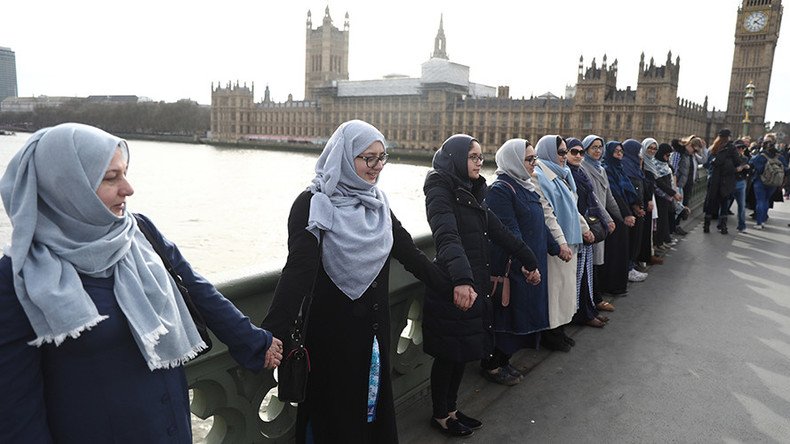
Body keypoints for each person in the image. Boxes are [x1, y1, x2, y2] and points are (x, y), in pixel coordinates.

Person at [0, 123, 282, 443]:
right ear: (66, 186)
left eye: (125, 172)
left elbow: (195, 286)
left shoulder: (138, 231)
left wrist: (253, 341)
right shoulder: (19, 277)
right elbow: (15, 409)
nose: (128, 188)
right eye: (111, 178)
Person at [261, 120, 448, 444]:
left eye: (382, 157)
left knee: (370, 419)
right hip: (331, 341)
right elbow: (299, 270)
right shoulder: (312, 203)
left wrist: (450, 285)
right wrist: (270, 332)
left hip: (374, 337)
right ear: (345, 157)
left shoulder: (377, 204)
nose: (377, 167)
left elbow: (407, 251)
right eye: (367, 158)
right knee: (334, 423)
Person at [423, 134, 540, 437]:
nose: (480, 162)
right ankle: (441, 414)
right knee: (449, 354)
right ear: (456, 158)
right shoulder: (440, 189)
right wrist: (462, 279)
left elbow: (498, 231)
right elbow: (446, 236)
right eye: (473, 157)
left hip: (472, 284)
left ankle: (451, 408)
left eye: (481, 157)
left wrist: (528, 259)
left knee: (462, 351)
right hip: (454, 284)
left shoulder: (471, 191)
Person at [483, 138, 560, 385]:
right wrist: (527, 264)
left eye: (534, 158)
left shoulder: (526, 186)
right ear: (513, 160)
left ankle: (504, 361)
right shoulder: (501, 190)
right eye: (529, 159)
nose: (533, 163)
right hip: (514, 266)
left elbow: (538, 222)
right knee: (509, 318)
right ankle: (493, 364)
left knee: (524, 316)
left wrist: (555, 247)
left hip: (531, 264)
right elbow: (509, 232)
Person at [532, 135, 594, 345]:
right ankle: (551, 333)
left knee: (566, 290)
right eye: (560, 152)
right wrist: (561, 243)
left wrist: (584, 228)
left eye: (565, 151)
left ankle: (560, 329)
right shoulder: (538, 176)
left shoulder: (562, 175)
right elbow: (548, 215)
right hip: (557, 244)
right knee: (554, 292)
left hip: (570, 239)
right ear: (547, 151)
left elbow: (572, 208)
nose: (565, 156)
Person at [564, 138, 608, 328]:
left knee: (585, 275)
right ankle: (580, 314)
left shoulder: (579, 173)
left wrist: (605, 220)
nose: (579, 156)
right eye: (574, 152)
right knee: (577, 277)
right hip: (575, 232)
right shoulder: (565, 174)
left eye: (581, 152)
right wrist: (583, 228)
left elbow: (594, 200)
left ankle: (588, 310)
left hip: (586, 229)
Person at [579, 135, 621, 312]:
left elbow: (608, 196)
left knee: (596, 261)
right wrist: (607, 219)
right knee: (592, 263)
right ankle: (594, 300)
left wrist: (619, 216)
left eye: (600, 147)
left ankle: (595, 298)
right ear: (586, 149)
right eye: (593, 147)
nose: (597, 150)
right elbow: (593, 199)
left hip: (601, 220)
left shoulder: (601, 169)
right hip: (592, 220)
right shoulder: (583, 168)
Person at [601, 141, 639, 296]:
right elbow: (613, 195)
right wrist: (624, 213)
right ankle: (612, 286)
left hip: (623, 213)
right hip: (614, 214)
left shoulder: (619, 168)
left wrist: (636, 204)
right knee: (614, 252)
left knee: (621, 250)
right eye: (616, 151)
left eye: (621, 151)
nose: (619, 153)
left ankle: (619, 284)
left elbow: (627, 189)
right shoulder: (607, 169)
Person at [703, 128, 742, 234]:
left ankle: (706, 226)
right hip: (726, 181)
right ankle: (723, 227)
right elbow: (738, 163)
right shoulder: (731, 148)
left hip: (713, 179)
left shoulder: (713, 148)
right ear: (728, 137)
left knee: (711, 202)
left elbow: (706, 164)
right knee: (724, 203)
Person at [748, 133, 783, 229]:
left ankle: (759, 223)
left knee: (760, 201)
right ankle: (763, 220)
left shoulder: (761, 155)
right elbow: (786, 167)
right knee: (766, 200)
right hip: (773, 181)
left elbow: (752, 163)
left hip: (760, 181)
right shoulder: (778, 155)